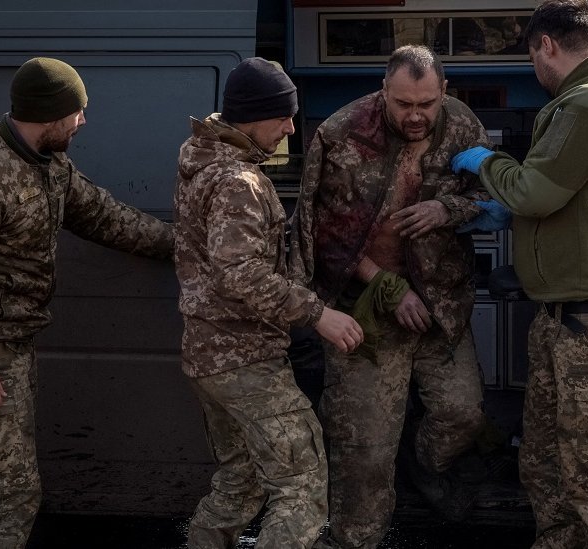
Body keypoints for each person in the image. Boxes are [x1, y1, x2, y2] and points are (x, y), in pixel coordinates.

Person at [0, 57, 175, 549]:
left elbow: (103, 216)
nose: (83, 121)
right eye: (77, 111)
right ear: (49, 113)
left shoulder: (46, 163)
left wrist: (182, 243)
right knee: (12, 490)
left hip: (10, 340)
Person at [451, 1, 588, 547]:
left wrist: (484, 162)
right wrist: (512, 212)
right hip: (568, 319)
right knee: (546, 462)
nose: (533, 69)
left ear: (546, 44)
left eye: (531, 55)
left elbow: (537, 192)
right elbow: (570, 198)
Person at [288, 44, 506, 548]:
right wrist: (389, 287)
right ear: (383, 92)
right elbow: (320, 230)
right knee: (364, 450)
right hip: (365, 316)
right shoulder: (342, 134)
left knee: (463, 415)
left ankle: (422, 466)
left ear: (443, 92)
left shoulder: (460, 125)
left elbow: (495, 191)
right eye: (403, 103)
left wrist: (446, 210)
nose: (415, 115)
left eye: (426, 103)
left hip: (440, 310)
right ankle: (355, 540)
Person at [173, 57, 363, 549]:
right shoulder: (240, 182)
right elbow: (239, 272)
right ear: (255, 116)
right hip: (244, 359)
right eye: (284, 117)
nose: (290, 128)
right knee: (300, 481)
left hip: (208, 357)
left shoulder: (201, 159)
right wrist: (319, 314)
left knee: (242, 479)